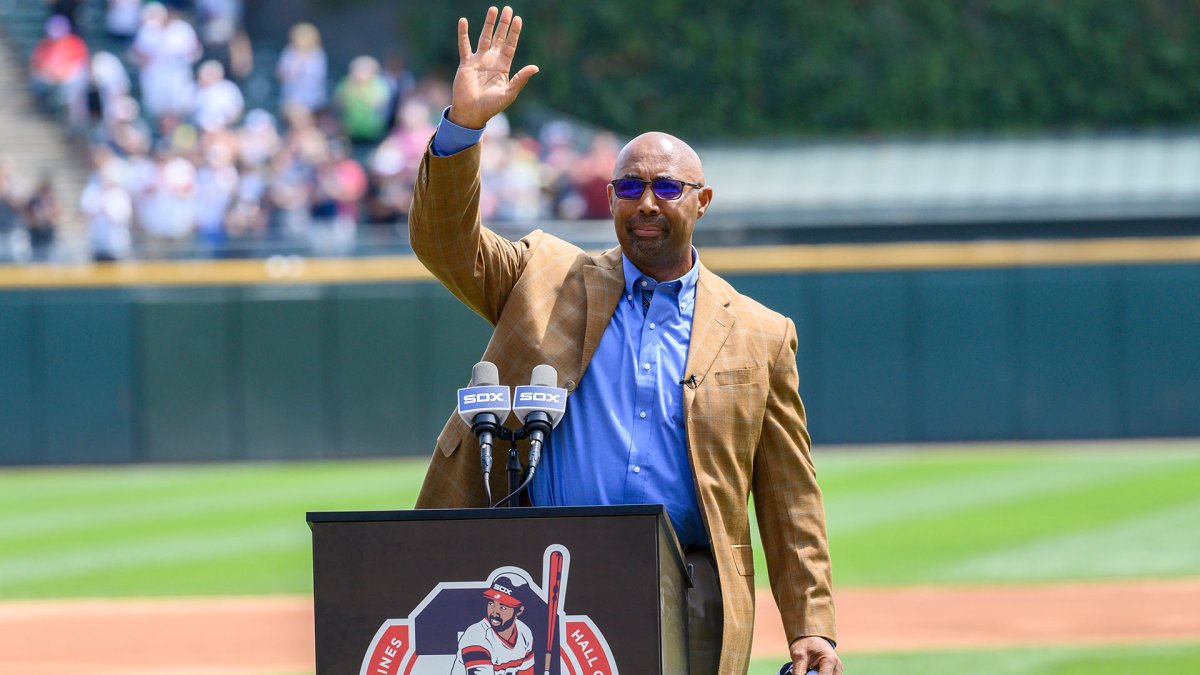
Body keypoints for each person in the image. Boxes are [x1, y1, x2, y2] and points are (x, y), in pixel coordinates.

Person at [410, 7, 841, 675]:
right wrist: (463, 127)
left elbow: (788, 494)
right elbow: (443, 244)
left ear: (702, 201)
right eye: (629, 186)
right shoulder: (543, 274)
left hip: (689, 589)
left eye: (667, 186)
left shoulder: (761, 332)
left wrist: (812, 624)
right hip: (543, 584)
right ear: (608, 197)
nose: (646, 201)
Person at [451, 575, 535, 675]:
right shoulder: (476, 636)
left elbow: (526, 673)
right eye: (491, 603)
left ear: (519, 611)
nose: (494, 612)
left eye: (503, 607)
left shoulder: (524, 632)